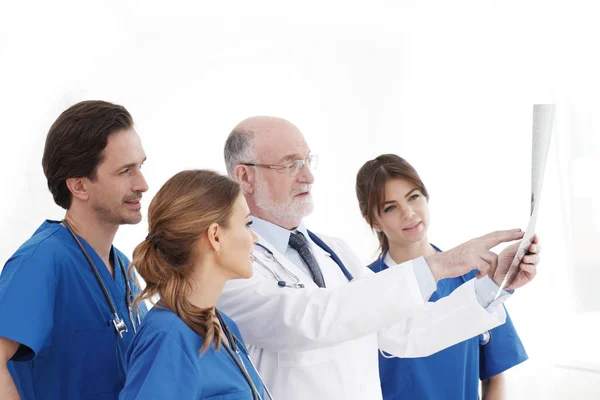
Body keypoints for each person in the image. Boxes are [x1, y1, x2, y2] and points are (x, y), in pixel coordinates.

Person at [217, 116, 540, 400]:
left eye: (307, 161)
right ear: (245, 176)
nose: (308, 177)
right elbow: (304, 321)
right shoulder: (228, 262)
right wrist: (442, 265)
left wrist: (495, 286)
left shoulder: (334, 250)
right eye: (290, 165)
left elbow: (403, 331)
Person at [0, 100, 149, 400]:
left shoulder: (123, 268)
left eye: (141, 167)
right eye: (125, 171)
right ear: (79, 186)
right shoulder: (42, 261)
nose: (142, 184)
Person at [356, 154, 533, 400]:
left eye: (413, 197)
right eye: (390, 207)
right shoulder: (363, 289)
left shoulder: (477, 278)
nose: (408, 213)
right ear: (374, 221)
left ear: (427, 198)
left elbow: (494, 373)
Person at [120, 170, 269, 400]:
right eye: (247, 224)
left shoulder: (221, 324)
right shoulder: (167, 337)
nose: (255, 238)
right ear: (215, 236)